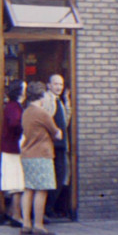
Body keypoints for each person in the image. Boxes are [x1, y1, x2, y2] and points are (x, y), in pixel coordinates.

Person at [20, 81, 62, 235]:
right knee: (41, 190)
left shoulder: (26, 112)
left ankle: (26, 223)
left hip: (27, 153)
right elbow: (56, 132)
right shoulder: (42, 113)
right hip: (41, 154)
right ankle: (38, 224)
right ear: (42, 95)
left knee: (28, 189)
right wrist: (58, 133)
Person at [0, 80, 27, 227]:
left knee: (16, 183)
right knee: (17, 184)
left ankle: (12, 212)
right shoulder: (14, 107)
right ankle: (16, 215)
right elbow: (14, 123)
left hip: (11, 148)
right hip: (13, 149)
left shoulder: (13, 106)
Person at [45, 74, 70, 220]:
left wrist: (67, 102)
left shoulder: (59, 101)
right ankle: (47, 209)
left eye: (60, 84)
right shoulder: (48, 100)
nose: (59, 87)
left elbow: (65, 122)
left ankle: (49, 208)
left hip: (60, 146)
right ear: (49, 85)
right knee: (56, 177)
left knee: (61, 177)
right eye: (55, 84)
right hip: (52, 146)